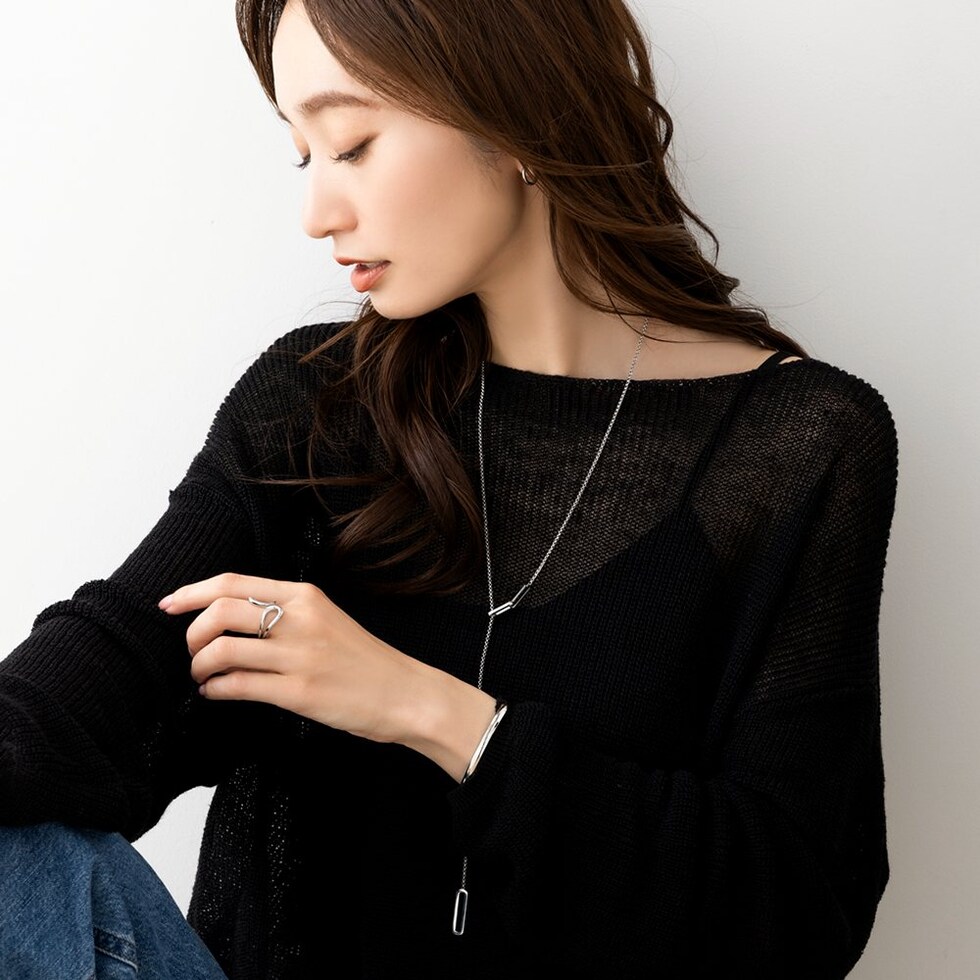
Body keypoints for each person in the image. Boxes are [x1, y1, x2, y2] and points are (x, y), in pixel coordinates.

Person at [0, 0, 899, 978]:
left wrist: (439, 717)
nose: (317, 213)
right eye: (304, 156)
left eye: (352, 144)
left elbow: (796, 910)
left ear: (514, 112)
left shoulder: (795, 444)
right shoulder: (317, 404)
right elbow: (106, 665)